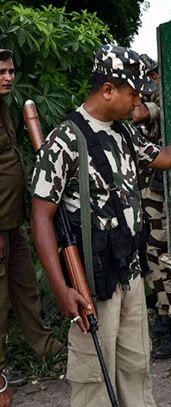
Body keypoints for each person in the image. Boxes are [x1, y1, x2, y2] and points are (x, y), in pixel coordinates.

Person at [30, 45, 171, 407]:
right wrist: (61, 288)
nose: (138, 102)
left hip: (131, 275)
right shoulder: (65, 141)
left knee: (136, 370)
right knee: (94, 384)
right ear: (108, 90)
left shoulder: (124, 132)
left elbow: (162, 156)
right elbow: (41, 218)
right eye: (133, 94)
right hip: (93, 284)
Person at [0, 47, 64, 388]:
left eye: (10, 71)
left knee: (25, 285)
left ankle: (43, 345)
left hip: (13, 218)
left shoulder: (4, 107)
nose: (8, 77)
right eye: (1, 72)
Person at [132, 54, 171, 359]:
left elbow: (149, 112)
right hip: (148, 195)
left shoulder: (161, 99)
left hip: (162, 197)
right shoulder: (148, 96)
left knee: (162, 257)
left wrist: (138, 110)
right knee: (150, 255)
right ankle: (165, 313)